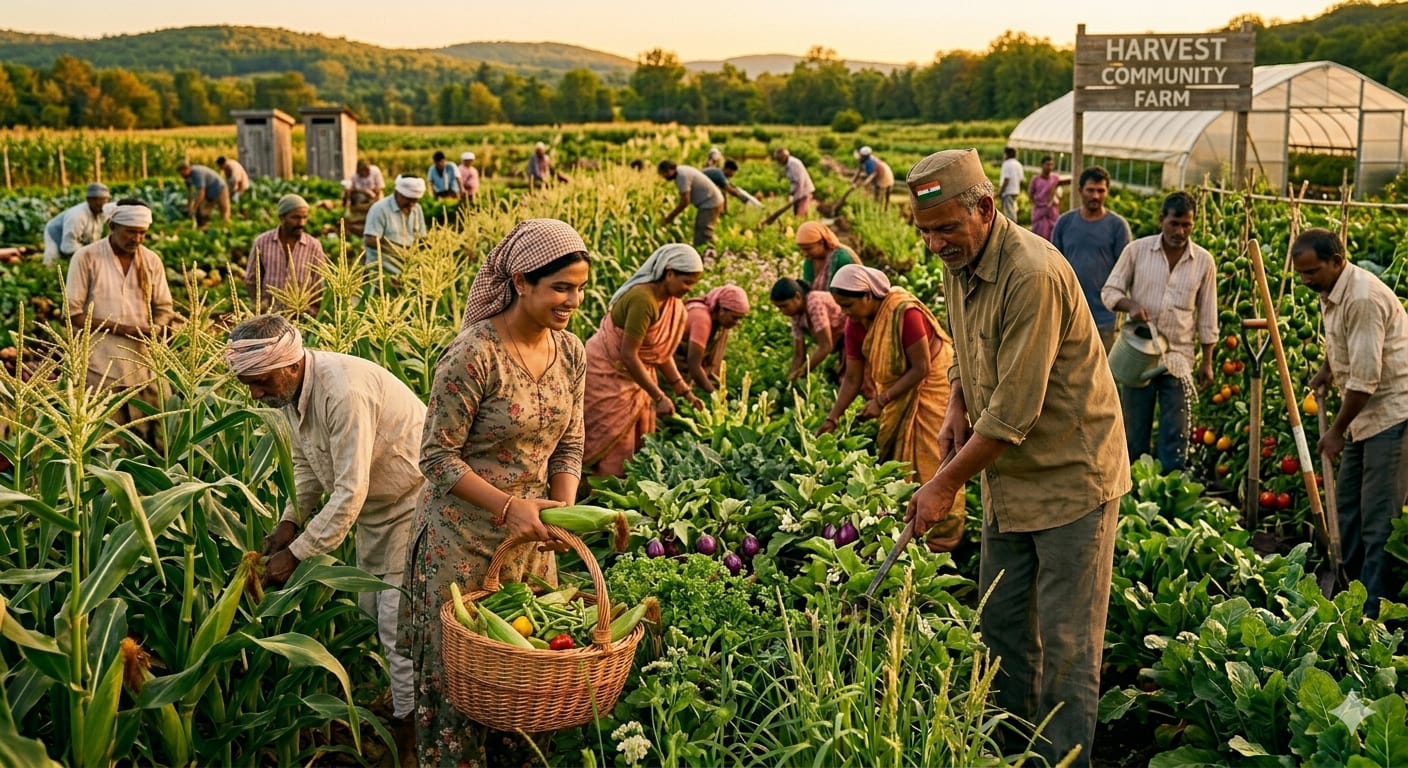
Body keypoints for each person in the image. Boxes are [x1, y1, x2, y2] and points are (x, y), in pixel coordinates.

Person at [901, 149, 1129, 768]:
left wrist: (943, 485)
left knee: (1065, 647)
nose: (937, 243)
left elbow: (1012, 416)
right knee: (1001, 629)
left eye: (947, 227)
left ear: (985, 207)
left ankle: (1065, 761)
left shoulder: (1031, 273)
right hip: (1008, 483)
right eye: (926, 232)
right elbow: (968, 352)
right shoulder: (961, 261)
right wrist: (954, 403)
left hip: (1069, 481)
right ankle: (1011, 755)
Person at [402, 219, 590, 764]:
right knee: (460, 688)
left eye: (579, 288)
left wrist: (562, 511)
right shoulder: (474, 354)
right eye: (560, 287)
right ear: (520, 281)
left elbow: (570, 445)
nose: (572, 300)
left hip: (531, 543)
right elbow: (436, 459)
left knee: (528, 685)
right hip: (459, 545)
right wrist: (510, 507)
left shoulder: (571, 352)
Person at [223, 314, 421, 753]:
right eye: (248, 384)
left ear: (290, 365)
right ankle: (408, 699)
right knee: (371, 607)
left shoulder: (343, 392)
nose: (255, 394)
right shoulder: (293, 394)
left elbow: (351, 491)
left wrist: (294, 555)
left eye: (259, 381)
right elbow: (306, 462)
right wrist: (288, 521)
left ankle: (412, 737)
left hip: (414, 504)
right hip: (377, 512)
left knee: (397, 624)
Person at [1294, 228, 1408, 619]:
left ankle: (1377, 612)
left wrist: (1336, 432)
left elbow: (1365, 382)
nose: (1307, 281)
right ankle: (1350, 592)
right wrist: (1328, 369)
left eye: (1312, 272)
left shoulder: (1362, 298)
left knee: (1379, 517)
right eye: (1302, 275)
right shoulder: (1333, 292)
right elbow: (1342, 342)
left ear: (1337, 262)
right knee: (1347, 508)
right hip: (1363, 413)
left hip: (1391, 415)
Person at [821, 263, 964, 551]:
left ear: (868, 296)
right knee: (899, 462)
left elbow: (921, 367)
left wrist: (880, 401)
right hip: (899, 390)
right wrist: (832, 418)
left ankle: (943, 541)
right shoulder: (855, 324)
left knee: (932, 457)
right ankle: (906, 530)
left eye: (848, 305)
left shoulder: (903, 312)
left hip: (931, 385)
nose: (845, 312)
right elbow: (852, 377)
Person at [1101, 191, 1217, 472]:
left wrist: (1208, 362)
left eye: (1186, 225)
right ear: (1161, 219)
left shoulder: (1203, 261)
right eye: (1174, 223)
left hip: (1178, 357)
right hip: (1139, 357)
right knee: (1134, 429)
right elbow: (1110, 291)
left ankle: (1170, 488)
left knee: (1175, 430)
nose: (1180, 231)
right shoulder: (1137, 251)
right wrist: (1131, 305)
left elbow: (1207, 316)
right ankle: (1133, 486)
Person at [582, 244, 704, 477]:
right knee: (612, 443)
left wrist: (683, 390)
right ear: (669, 273)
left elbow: (660, 354)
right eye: (686, 282)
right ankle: (597, 499)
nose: (689, 289)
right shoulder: (643, 300)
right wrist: (659, 396)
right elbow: (629, 355)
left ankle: (618, 498)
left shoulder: (671, 304)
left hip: (635, 373)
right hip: (609, 372)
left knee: (633, 445)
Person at [64, 200, 176, 439]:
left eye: (142, 233)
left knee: (159, 438)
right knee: (107, 441)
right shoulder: (86, 258)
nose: (136, 239)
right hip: (99, 367)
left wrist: (158, 327)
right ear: (112, 226)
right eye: (130, 232)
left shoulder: (151, 261)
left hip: (144, 364)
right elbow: (73, 313)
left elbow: (165, 308)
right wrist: (124, 329)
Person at [1052, 166, 1132, 351]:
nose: (1095, 195)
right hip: (1069, 314)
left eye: (1101, 190)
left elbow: (1125, 272)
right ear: (1080, 191)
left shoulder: (1117, 226)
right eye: (1090, 190)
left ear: (1107, 192)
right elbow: (1054, 267)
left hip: (1104, 317)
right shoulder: (1065, 223)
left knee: (1102, 374)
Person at [246, 194, 328, 316]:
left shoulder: (313, 245)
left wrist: (313, 310)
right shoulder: (262, 242)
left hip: (302, 315)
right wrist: (259, 304)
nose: (301, 223)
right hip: (270, 314)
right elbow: (251, 279)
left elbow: (320, 283)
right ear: (282, 217)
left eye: (305, 217)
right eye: (295, 217)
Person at [675, 284, 750, 393]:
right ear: (722, 310)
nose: (736, 323)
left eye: (740, 319)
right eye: (734, 318)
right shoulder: (702, 320)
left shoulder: (720, 322)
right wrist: (716, 395)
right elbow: (694, 366)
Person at [770, 277, 846, 382]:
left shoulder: (814, 302)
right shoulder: (796, 316)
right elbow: (799, 354)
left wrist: (803, 371)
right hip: (841, 340)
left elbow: (826, 346)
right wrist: (791, 379)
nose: (782, 311)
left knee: (851, 379)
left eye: (784, 306)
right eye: (779, 308)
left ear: (797, 297)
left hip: (853, 333)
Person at [363, 175, 427, 276]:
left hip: (409, 266)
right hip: (384, 268)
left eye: (415, 200)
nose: (411, 204)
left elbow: (422, 238)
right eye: (408, 199)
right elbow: (370, 240)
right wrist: (400, 253)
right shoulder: (380, 209)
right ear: (397, 192)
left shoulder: (417, 209)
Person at [658, 160, 725, 247]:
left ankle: (704, 255)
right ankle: (707, 252)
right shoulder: (681, 171)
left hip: (710, 202)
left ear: (671, 169)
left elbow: (685, 201)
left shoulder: (681, 176)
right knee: (702, 230)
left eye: (665, 174)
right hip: (710, 201)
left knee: (703, 232)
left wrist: (669, 218)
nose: (664, 177)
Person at [43, 182, 110, 265]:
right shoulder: (77, 216)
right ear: (89, 200)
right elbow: (68, 246)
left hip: (77, 238)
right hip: (55, 232)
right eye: (99, 201)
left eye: (106, 201)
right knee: (53, 261)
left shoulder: (101, 212)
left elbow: (94, 237)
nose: (103, 205)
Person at [797, 221, 858, 292]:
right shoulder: (810, 261)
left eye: (808, 249)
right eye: (802, 250)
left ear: (821, 243)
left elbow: (848, 291)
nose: (805, 254)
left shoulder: (841, 259)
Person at [344, 160, 385, 238]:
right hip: (362, 197)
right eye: (363, 171)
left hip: (375, 195)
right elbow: (351, 190)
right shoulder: (355, 177)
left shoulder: (375, 171)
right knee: (359, 198)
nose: (366, 172)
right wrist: (366, 192)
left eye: (367, 170)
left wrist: (376, 199)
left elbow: (379, 188)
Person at [1027, 156, 1063, 240]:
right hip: (1040, 211)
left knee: (1052, 233)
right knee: (1039, 235)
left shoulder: (1055, 179)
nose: (1050, 167)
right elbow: (1030, 193)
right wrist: (1038, 204)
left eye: (1051, 165)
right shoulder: (1035, 179)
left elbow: (1058, 192)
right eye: (1047, 164)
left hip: (1051, 211)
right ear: (1042, 165)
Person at [773, 148, 815, 217]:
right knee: (798, 214)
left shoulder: (794, 164)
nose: (779, 163)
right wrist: (792, 194)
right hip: (798, 193)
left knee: (800, 215)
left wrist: (796, 197)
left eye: (779, 160)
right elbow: (793, 182)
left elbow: (799, 182)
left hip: (803, 193)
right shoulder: (788, 164)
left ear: (783, 158)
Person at [998, 147, 1024, 223]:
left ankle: (1012, 232)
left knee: (1009, 215)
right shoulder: (1018, 164)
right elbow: (1021, 180)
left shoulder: (1007, 164)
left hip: (1008, 192)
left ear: (1007, 154)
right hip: (1015, 191)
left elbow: (1006, 179)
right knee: (1013, 211)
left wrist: (1001, 192)